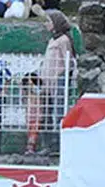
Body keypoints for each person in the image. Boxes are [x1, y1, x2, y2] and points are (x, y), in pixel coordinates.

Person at [36, 9, 75, 156]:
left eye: (49, 21)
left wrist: (62, 78)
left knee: (59, 114)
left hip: (58, 81)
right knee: (46, 114)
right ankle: (48, 145)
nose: (46, 24)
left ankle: (58, 146)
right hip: (47, 82)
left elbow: (69, 61)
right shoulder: (52, 40)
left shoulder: (64, 40)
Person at [21, 71, 43, 155]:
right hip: (29, 115)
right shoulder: (26, 93)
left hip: (37, 114)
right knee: (30, 131)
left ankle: (30, 148)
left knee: (34, 131)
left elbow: (37, 91)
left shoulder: (37, 91)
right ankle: (30, 147)